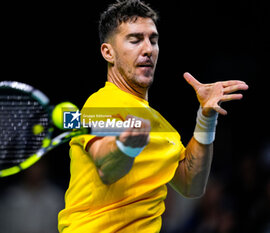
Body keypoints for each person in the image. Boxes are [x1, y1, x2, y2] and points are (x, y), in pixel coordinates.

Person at [58, 0, 248, 232]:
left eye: (153, 40)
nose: (148, 49)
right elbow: (107, 166)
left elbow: (191, 185)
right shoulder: (101, 104)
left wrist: (205, 118)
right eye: (135, 40)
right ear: (108, 52)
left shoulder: (161, 125)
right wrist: (126, 146)